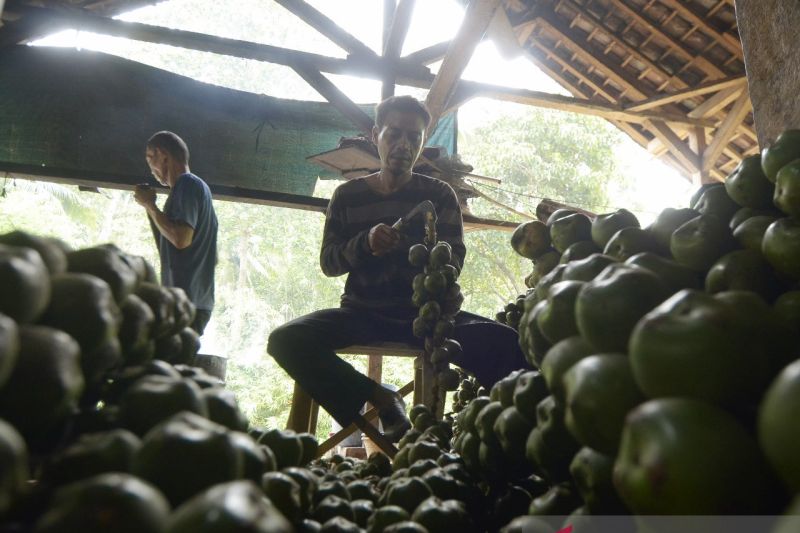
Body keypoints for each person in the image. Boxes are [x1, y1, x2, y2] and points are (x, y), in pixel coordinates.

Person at [268, 96, 529, 441]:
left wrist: (414, 249)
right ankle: (379, 398)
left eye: (413, 136)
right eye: (394, 134)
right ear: (377, 135)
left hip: (429, 319)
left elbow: (455, 263)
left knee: (510, 345)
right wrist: (365, 243)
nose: (403, 145)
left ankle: (493, 441)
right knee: (285, 340)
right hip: (363, 315)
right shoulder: (347, 196)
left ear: (423, 142)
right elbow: (329, 263)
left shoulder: (440, 195)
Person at [134, 131, 218, 336]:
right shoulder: (194, 189)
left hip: (185, 304)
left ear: (162, 155)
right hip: (195, 302)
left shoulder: (187, 184)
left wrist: (150, 205)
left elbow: (181, 239)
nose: (151, 169)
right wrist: (150, 210)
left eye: (149, 159)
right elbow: (209, 257)